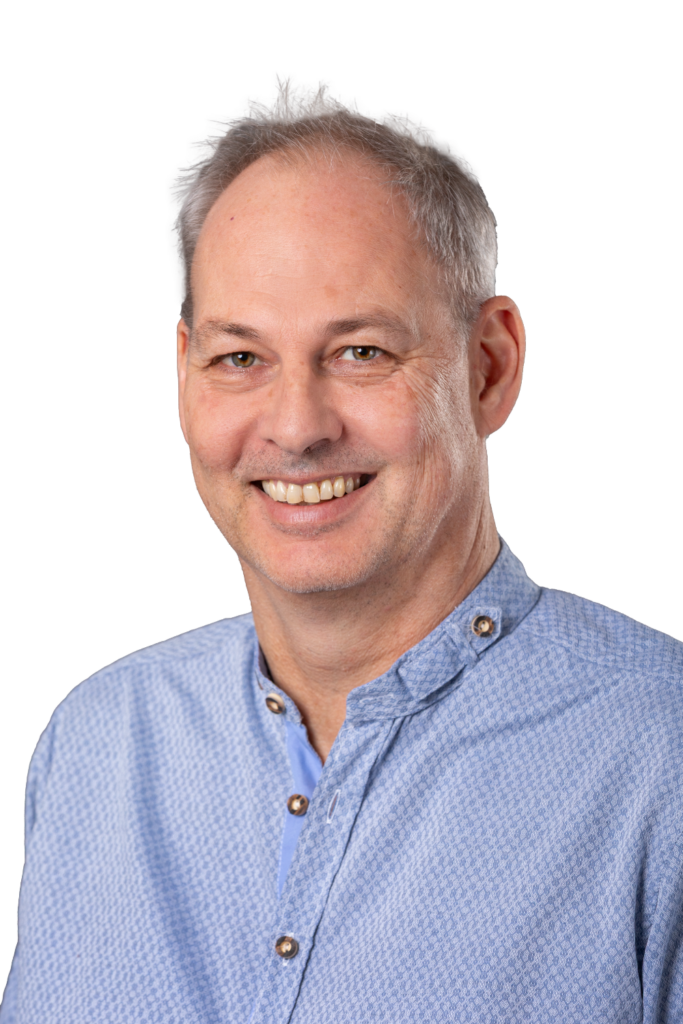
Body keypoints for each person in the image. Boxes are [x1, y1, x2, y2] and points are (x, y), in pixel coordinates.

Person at [2, 74, 681, 1024]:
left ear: (489, 367)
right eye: (241, 357)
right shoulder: (97, 744)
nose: (295, 428)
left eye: (361, 351)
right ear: (184, 377)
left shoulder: (661, 756)